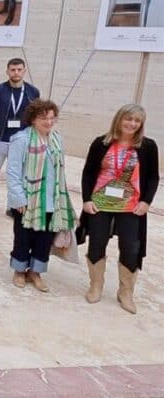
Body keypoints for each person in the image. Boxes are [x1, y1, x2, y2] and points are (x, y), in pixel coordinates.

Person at [80, 104, 158, 313]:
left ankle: (126, 292)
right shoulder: (101, 143)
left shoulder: (148, 146)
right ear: (119, 119)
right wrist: (86, 200)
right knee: (96, 243)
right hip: (100, 203)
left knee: (131, 248)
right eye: (128, 119)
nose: (132, 124)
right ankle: (96, 285)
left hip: (131, 207)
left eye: (137, 121)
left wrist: (146, 202)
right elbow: (88, 173)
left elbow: (152, 177)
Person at [5, 99, 76, 293]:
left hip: (51, 200)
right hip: (27, 200)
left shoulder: (56, 139)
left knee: (44, 239)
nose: (49, 122)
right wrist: (18, 198)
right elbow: (12, 171)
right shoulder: (22, 139)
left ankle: (35, 272)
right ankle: (19, 270)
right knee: (23, 237)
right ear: (33, 119)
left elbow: (59, 170)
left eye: (52, 118)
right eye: (44, 117)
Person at [0, 58, 40, 220]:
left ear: (24, 71)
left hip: (20, 142)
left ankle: (12, 206)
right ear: (7, 71)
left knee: (17, 176)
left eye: (19, 69)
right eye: (13, 70)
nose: (16, 73)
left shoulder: (33, 92)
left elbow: (36, 115)